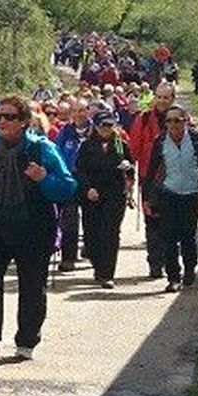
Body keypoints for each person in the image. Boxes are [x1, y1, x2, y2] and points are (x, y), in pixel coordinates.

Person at [0, 94, 77, 364]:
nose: (2, 122)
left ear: (23, 121)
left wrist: (44, 178)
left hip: (33, 228)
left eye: (9, 117)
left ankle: (26, 341)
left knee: (32, 286)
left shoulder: (42, 149)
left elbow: (67, 187)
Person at [141, 107, 198, 292]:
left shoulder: (196, 139)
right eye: (169, 121)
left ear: (185, 121)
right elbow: (151, 171)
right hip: (168, 195)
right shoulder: (160, 141)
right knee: (168, 237)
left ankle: (190, 268)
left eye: (177, 120)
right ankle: (173, 277)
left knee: (188, 235)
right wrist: (147, 198)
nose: (173, 125)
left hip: (191, 194)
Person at [74, 105, 132, 289]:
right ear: (96, 127)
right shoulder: (87, 146)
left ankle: (106, 273)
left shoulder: (120, 145)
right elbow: (80, 170)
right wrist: (88, 188)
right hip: (92, 195)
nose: (106, 130)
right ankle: (97, 264)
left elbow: (130, 169)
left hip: (114, 194)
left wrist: (128, 171)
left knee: (110, 233)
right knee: (92, 234)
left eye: (109, 126)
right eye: (102, 126)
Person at [128, 80, 178, 281]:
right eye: (159, 97)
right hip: (151, 178)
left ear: (172, 99)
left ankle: (170, 261)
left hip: (176, 178)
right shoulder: (145, 118)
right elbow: (134, 147)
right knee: (153, 221)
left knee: (173, 222)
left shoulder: (180, 118)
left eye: (166, 97)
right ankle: (155, 263)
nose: (162, 101)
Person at [53, 97, 95, 273]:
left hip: (91, 181)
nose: (79, 114)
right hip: (70, 180)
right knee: (69, 221)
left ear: (88, 111)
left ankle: (94, 254)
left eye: (83, 110)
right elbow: (57, 154)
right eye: (76, 110)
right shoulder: (65, 131)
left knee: (92, 220)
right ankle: (68, 258)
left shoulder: (97, 129)